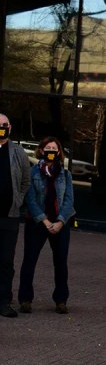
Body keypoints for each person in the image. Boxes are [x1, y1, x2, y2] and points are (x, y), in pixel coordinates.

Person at [18, 137, 76, 315]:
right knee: (29, 261)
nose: (51, 150)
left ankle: (61, 300)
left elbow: (69, 200)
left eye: (55, 148)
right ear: (42, 151)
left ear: (59, 152)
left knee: (60, 263)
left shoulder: (65, 174)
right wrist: (44, 220)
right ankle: (25, 299)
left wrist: (60, 221)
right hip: (37, 223)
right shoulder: (33, 172)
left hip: (60, 224)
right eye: (48, 147)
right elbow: (30, 199)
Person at [0, 113, 31, 318]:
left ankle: (4, 302)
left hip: (9, 217)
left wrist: (18, 200)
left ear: (9, 128)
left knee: (6, 261)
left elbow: (25, 181)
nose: (1, 128)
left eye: (4, 125)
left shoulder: (18, 152)